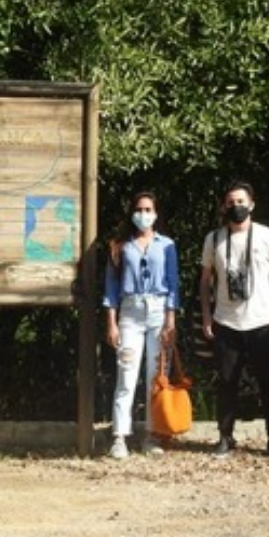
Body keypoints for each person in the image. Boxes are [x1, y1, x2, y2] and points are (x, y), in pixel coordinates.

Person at [199, 181, 269, 458]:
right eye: (230, 202)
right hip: (227, 321)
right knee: (227, 382)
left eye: (240, 201)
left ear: (251, 204)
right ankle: (225, 436)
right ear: (223, 206)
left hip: (262, 322)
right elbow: (205, 281)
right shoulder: (214, 239)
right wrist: (207, 316)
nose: (236, 206)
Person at [102, 192, 180, 460]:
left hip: (158, 310)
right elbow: (111, 287)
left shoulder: (166, 245)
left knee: (156, 375)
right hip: (130, 311)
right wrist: (111, 323)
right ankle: (119, 436)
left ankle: (152, 434)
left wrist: (171, 321)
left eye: (148, 209)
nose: (143, 214)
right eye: (139, 209)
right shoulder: (120, 246)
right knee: (126, 374)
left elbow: (173, 284)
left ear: (156, 213)